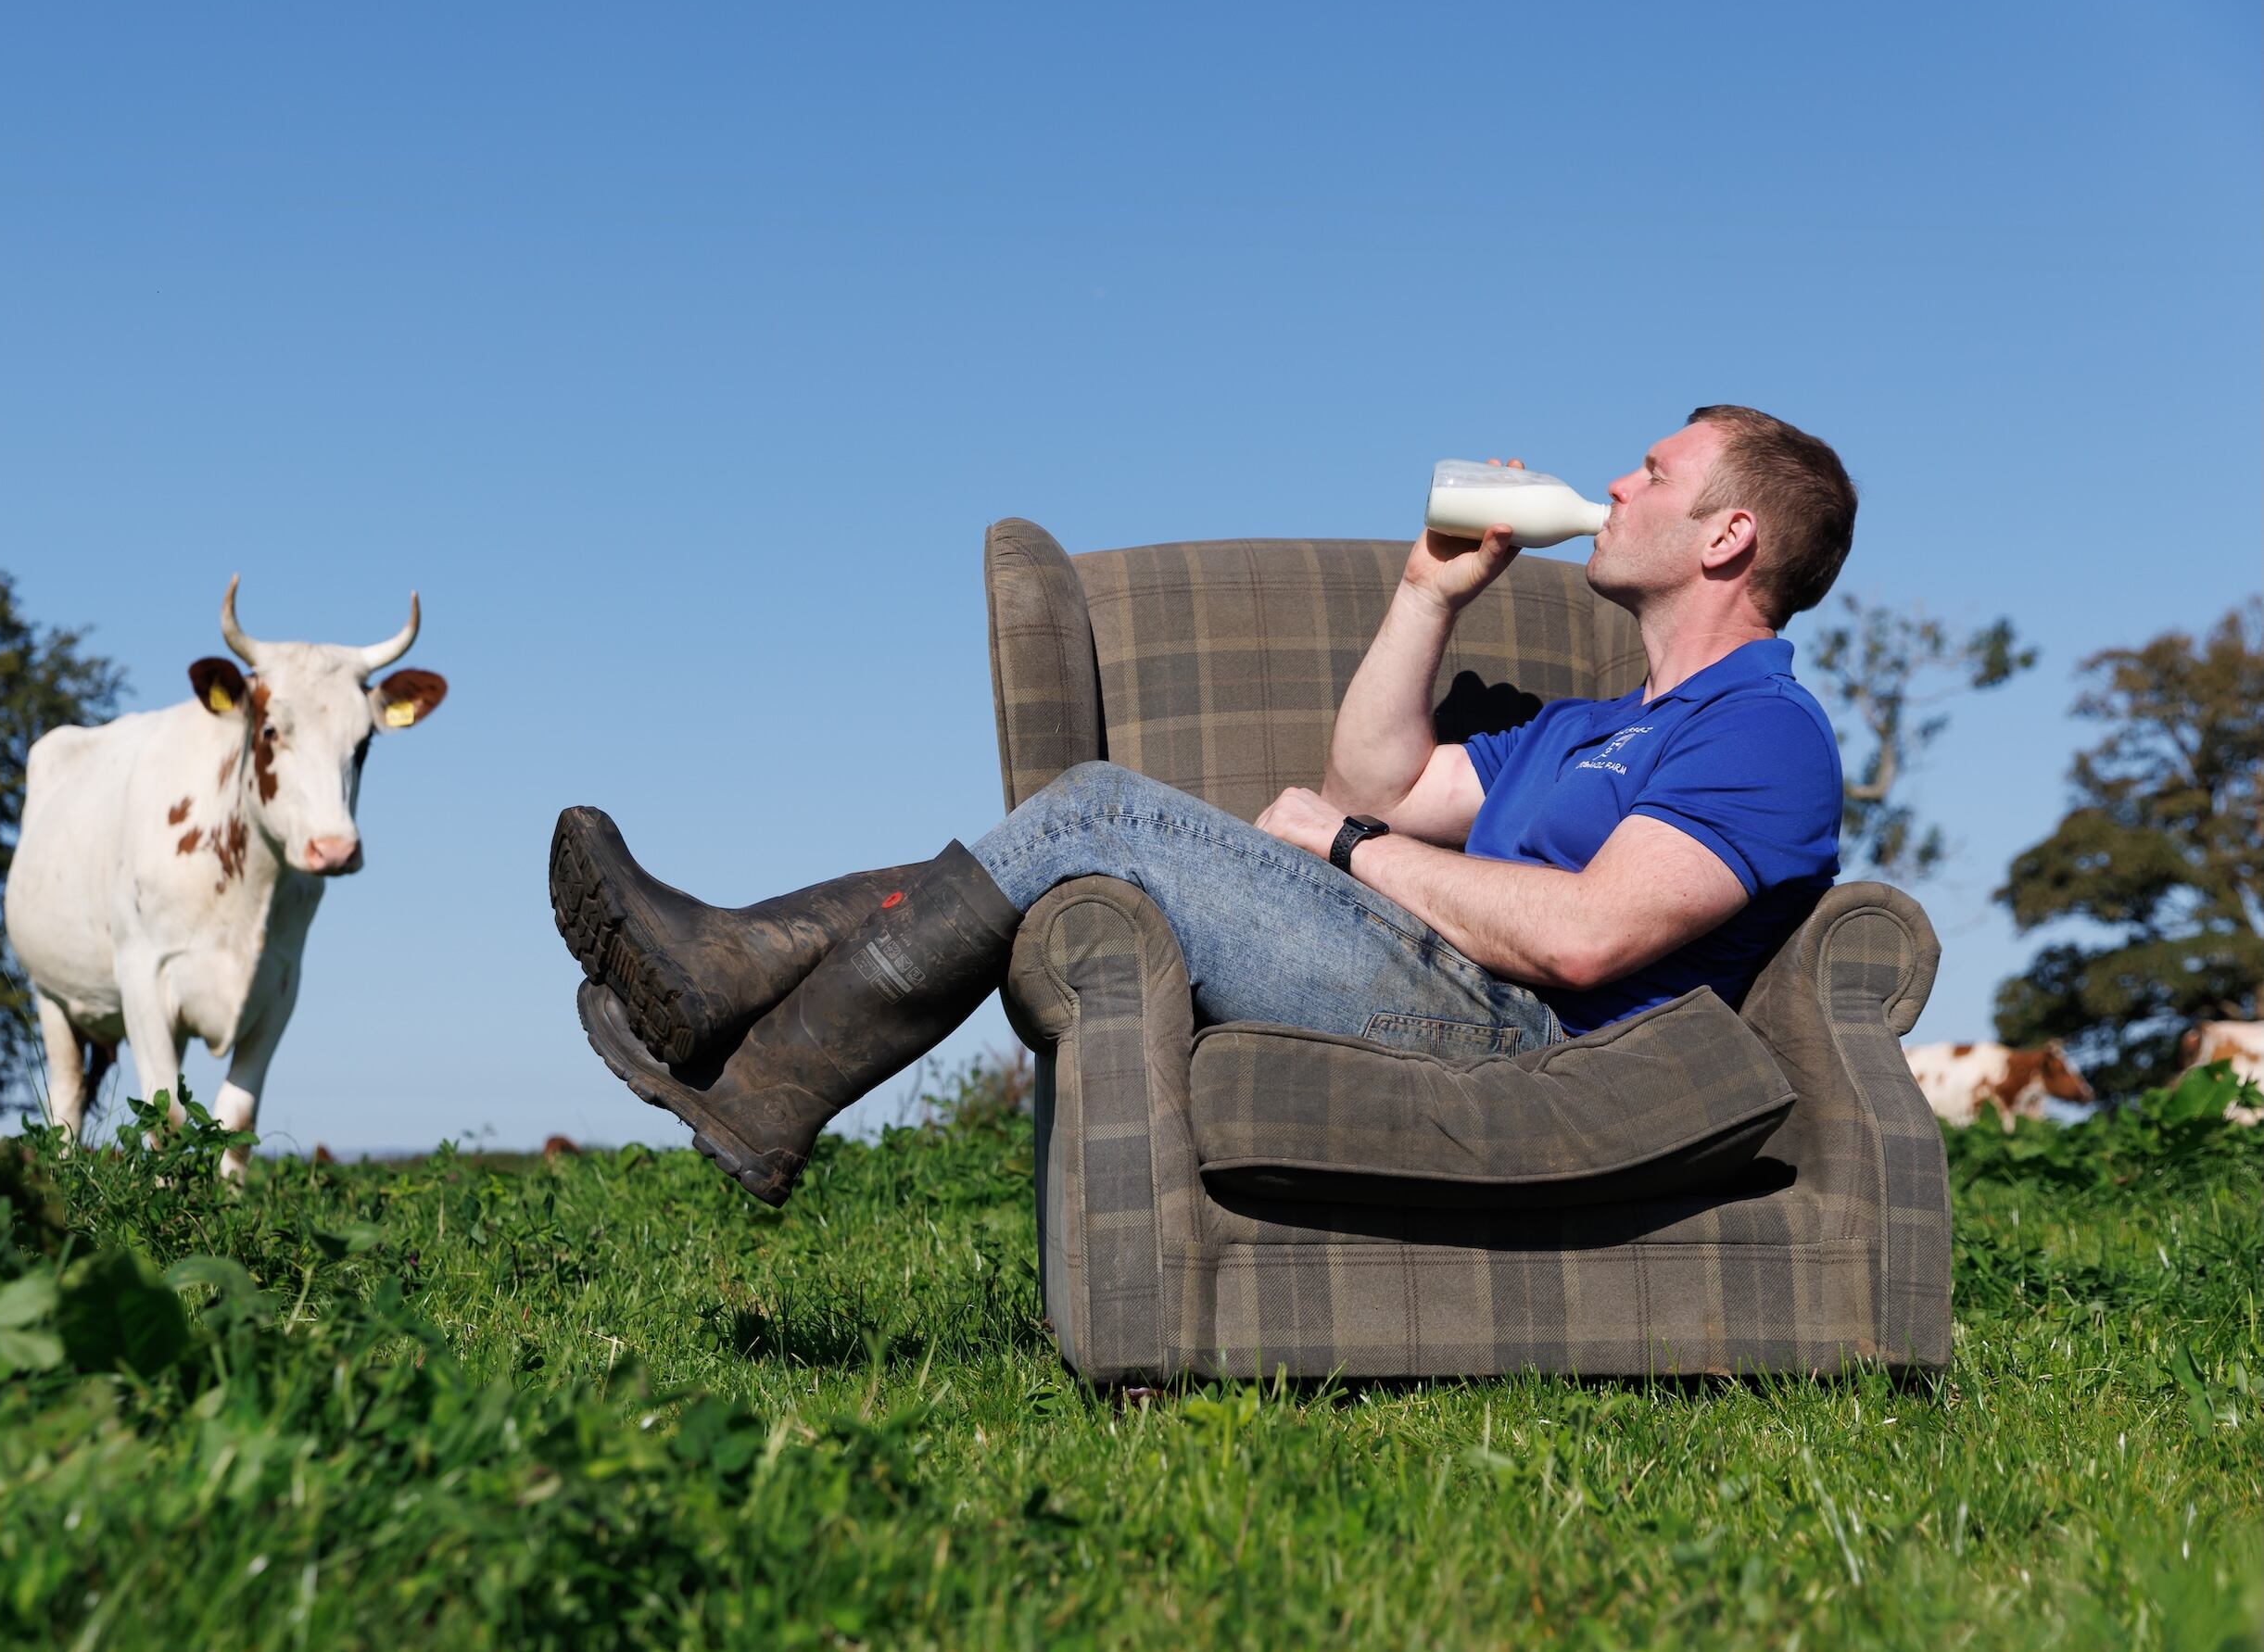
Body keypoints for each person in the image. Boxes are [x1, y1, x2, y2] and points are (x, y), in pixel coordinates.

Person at [550, 404, 1853, 1205]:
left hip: (1537, 1042)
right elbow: (1380, 782)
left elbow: (1585, 939)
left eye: (1653, 472)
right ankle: (739, 1008)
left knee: (1100, 811)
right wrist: (1429, 595)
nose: (1619, 486)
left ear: (1729, 537)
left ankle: (753, 1044)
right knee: (1086, 827)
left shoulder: (1762, 733)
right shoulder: (1594, 728)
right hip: (1452, 981)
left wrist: (1354, 853)